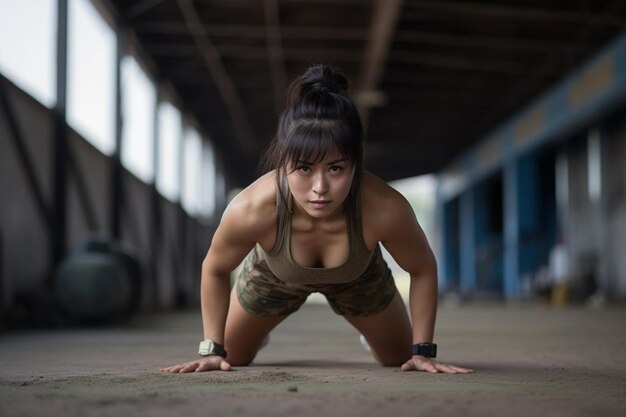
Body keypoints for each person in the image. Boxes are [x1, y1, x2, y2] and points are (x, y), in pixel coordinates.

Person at [160, 64, 473, 375]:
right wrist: (211, 348)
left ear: (355, 163)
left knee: (398, 359)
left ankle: (373, 335)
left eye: (336, 168)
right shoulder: (253, 208)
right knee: (233, 357)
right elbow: (214, 268)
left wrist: (423, 351)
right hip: (272, 276)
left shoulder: (384, 208)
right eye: (305, 169)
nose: (320, 188)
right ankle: (256, 331)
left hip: (360, 277)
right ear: (284, 163)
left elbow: (422, 268)